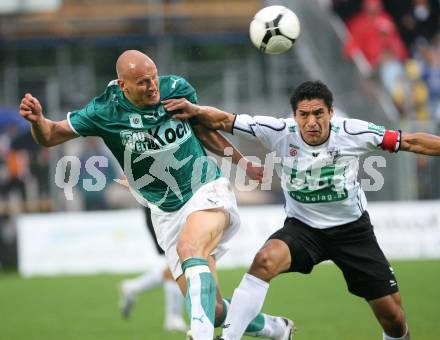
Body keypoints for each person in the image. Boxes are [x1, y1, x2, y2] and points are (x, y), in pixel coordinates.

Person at [19, 49, 294, 340]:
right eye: (142, 82)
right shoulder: (104, 111)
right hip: (165, 212)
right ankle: (275, 328)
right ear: (123, 85)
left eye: (154, 77)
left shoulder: (175, 90)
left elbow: (203, 130)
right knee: (210, 309)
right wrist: (38, 121)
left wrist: (242, 162)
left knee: (191, 248)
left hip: (205, 188)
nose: (152, 86)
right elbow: (50, 135)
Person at [164, 80, 440, 340]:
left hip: (352, 232)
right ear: (294, 116)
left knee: (392, 317)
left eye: (319, 113)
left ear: (331, 112)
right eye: (304, 115)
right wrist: (196, 110)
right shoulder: (278, 130)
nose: (311, 122)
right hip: (303, 228)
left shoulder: (354, 132)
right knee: (264, 261)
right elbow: (224, 120)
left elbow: (410, 141)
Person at [119, 206, 187, 332]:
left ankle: (133, 286)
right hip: (163, 214)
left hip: (170, 211)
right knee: (177, 262)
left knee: (179, 263)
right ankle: (173, 317)